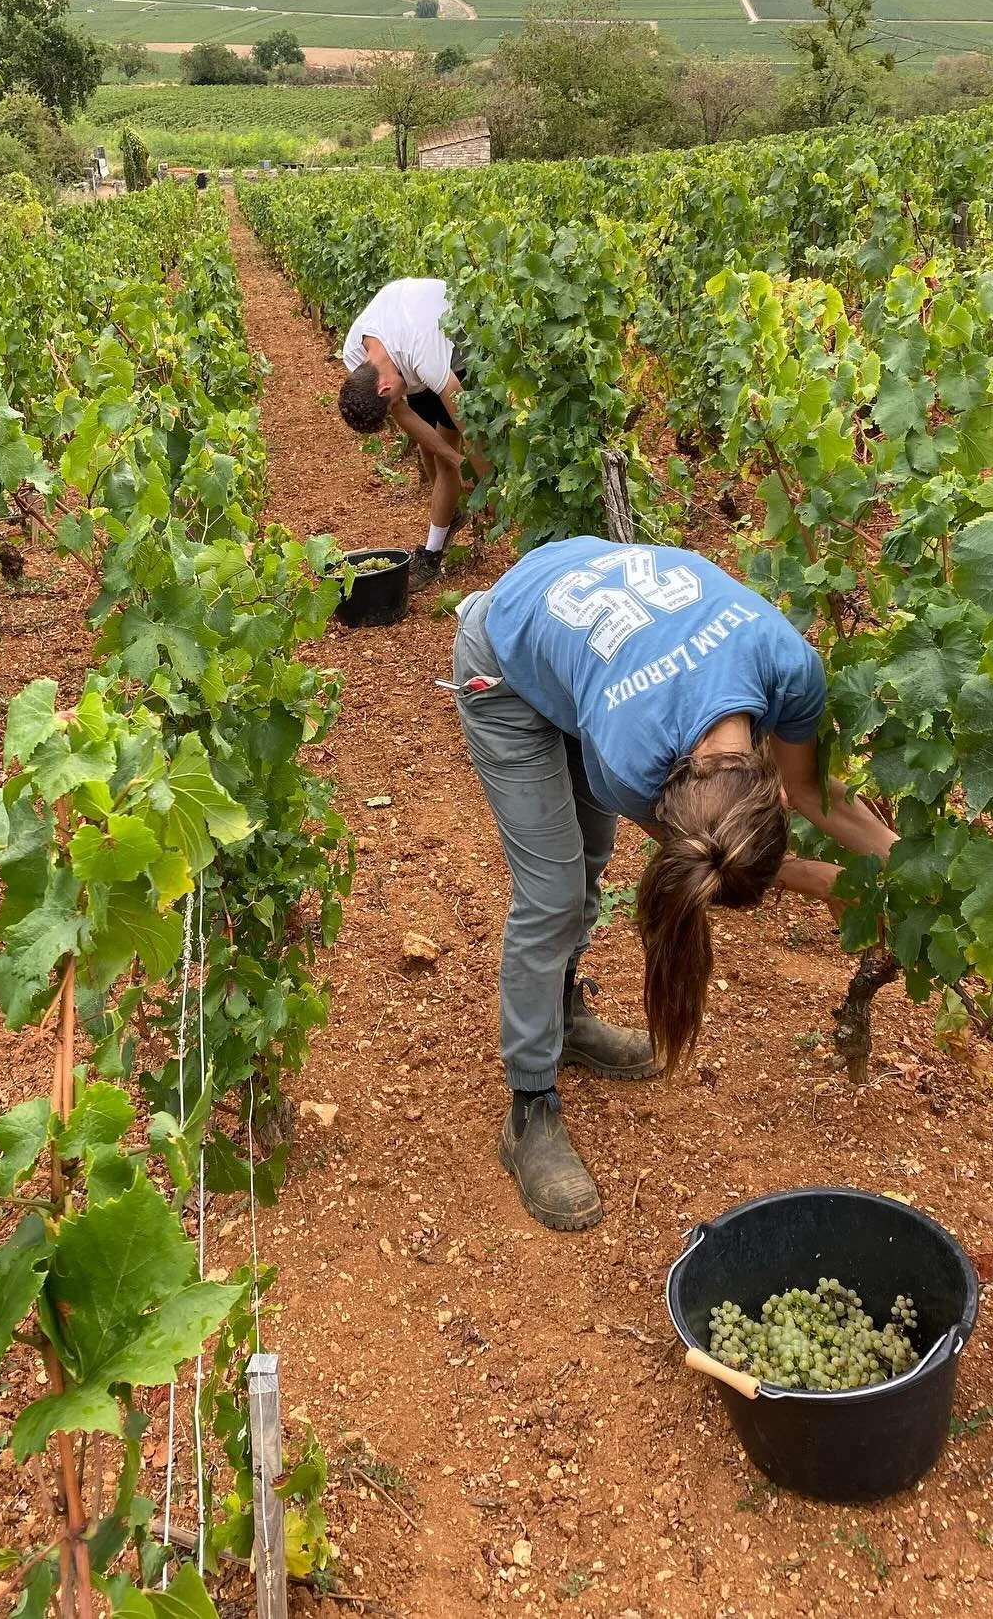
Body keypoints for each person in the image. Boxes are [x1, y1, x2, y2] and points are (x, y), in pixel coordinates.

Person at [451, 536, 898, 1233]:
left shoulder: (787, 665)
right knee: (554, 892)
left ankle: (561, 1017)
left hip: (584, 636)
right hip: (506, 662)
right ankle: (529, 1106)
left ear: (764, 778)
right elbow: (710, 854)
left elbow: (813, 791)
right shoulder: (632, 762)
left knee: (592, 858)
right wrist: (827, 881)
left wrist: (908, 869)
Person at [337, 278, 469, 587]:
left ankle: (431, 556)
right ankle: (449, 514)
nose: (397, 407)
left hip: (457, 353)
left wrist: (478, 472)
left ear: (383, 387)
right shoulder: (356, 357)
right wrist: (454, 460)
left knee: (450, 448)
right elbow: (402, 412)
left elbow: (467, 420)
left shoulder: (426, 352)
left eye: (392, 403)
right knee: (435, 453)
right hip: (409, 361)